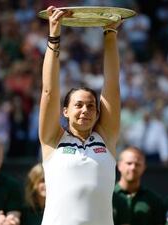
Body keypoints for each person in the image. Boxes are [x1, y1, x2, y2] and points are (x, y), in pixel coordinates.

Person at [38, 6, 121, 225]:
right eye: (79, 105)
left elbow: (112, 88)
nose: (85, 110)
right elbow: (48, 91)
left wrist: (110, 34)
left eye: (91, 106)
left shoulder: (106, 137)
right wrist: (54, 36)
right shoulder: (52, 140)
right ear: (65, 111)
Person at [113, 146, 166, 225]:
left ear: (144, 167)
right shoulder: (108, 196)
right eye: (129, 163)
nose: (133, 167)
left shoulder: (154, 200)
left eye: (137, 164)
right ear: (119, 165)